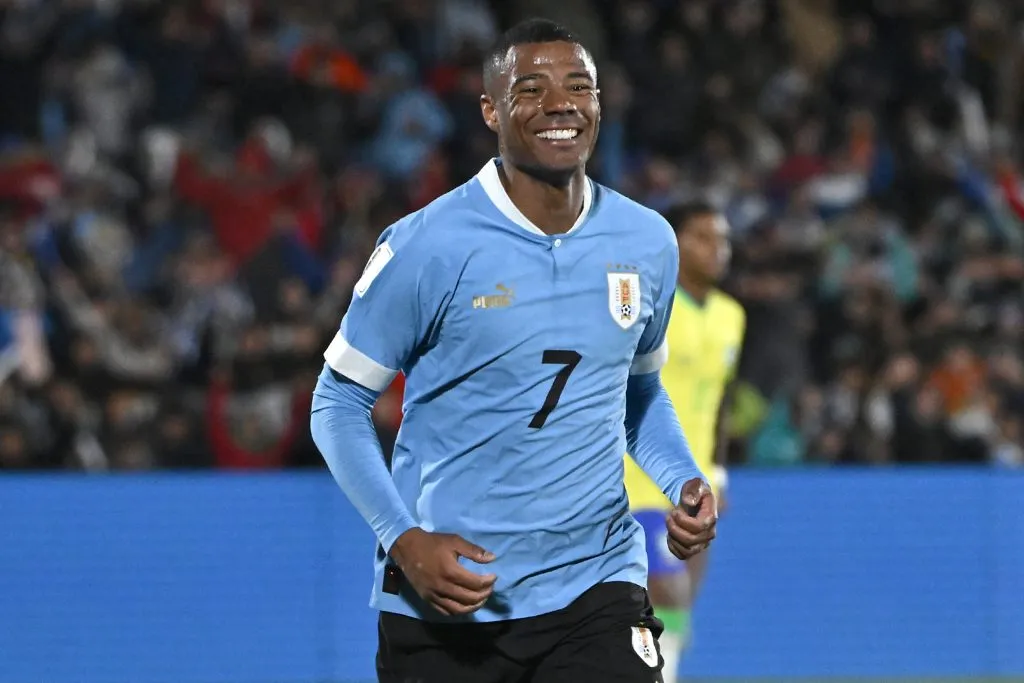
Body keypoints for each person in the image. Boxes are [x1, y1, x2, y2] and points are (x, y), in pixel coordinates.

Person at [310, 19, 717, 683]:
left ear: (598, 105)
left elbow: (637, 390)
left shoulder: (647, 242)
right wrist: (404, 540)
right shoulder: (427, 244)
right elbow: (336, 402)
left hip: (596, 586)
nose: (561, 103)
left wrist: (681, 479)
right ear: (491, 109)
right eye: (532, 88)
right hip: (450, 599)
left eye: (577, 86)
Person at [623, 200, 746, 682]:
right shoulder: (647, 305)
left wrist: (717, 472)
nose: (717, 249)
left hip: (694, 487)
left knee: (677, 607)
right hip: (637, 477)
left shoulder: (731, 315)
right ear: (674, 244)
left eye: (723, 240)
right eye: (703, 237)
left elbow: (724, 399)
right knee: (664, 596)